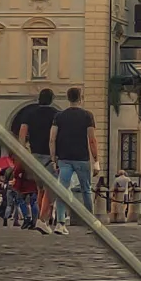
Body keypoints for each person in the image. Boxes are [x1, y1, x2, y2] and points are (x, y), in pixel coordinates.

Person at [49, 86, 99, 235]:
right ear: (80, 98)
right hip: (82, 158)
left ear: (68, 98)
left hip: (64, 158)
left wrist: (53, 158)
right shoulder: (87, 116)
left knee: (62, 190)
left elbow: (52, 139)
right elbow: (92, 139)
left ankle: (60, 223)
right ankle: (91, 223)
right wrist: (96, 160)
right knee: (86, 190)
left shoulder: (59, 116)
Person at [19, 87, 57, 235]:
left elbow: (22, 133)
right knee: (50, 188)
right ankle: (42, 220)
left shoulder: (30, 113)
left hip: (34, 155)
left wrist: (23, 150)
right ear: (52, 99)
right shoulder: (56, 114)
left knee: (40, 188)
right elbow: (55, 136)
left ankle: (42, 220)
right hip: (49, 155)